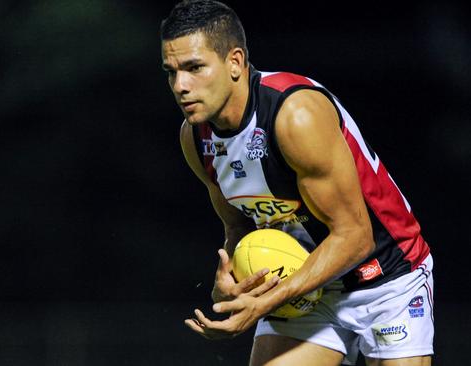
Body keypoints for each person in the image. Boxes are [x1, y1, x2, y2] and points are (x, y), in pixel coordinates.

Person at [160, 1, 434, 365]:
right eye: (171, 72)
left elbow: (355, 236)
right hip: (303, 286)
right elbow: (238, 225)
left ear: (235, 62)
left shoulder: (294, 115)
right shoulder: (195, 139)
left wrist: (267, 301)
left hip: (386, 277)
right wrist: (232, 283)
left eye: (194, 68)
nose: (180, 86)